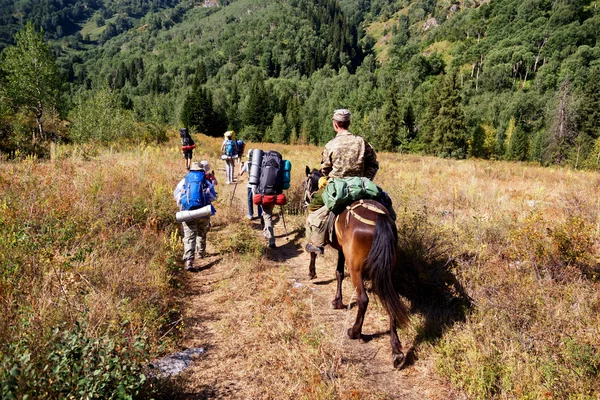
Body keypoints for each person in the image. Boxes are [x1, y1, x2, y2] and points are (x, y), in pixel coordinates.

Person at [305, 109, 379, 255]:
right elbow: (374, 164)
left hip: (336, 188)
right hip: (360, 186)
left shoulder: (331, 145)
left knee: (313, 208)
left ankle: (316, 242)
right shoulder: (362, 142)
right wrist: (365, 179)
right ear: (349, 123)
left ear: (335, 124)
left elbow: (325, 169)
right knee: (385, 205)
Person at [174, 161, 217, 270]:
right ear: (202, 170)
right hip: (203, 211)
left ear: (190, 170)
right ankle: (201, 252)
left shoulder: (184, 180)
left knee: (189, 236)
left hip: (188, 212)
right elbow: (213, 197)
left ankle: (189, 260)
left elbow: (176, 195)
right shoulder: (206, 181)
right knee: (202, 231)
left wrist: (183, 203)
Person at [239, 149, 263, 220]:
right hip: (258, 184)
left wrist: (240, 166)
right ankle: (260, 214)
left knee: (250, 199)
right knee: (259, 198)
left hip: (250, 184)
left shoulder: (247, 163)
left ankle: (250, 214)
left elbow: (240, 173)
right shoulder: (260, 162)